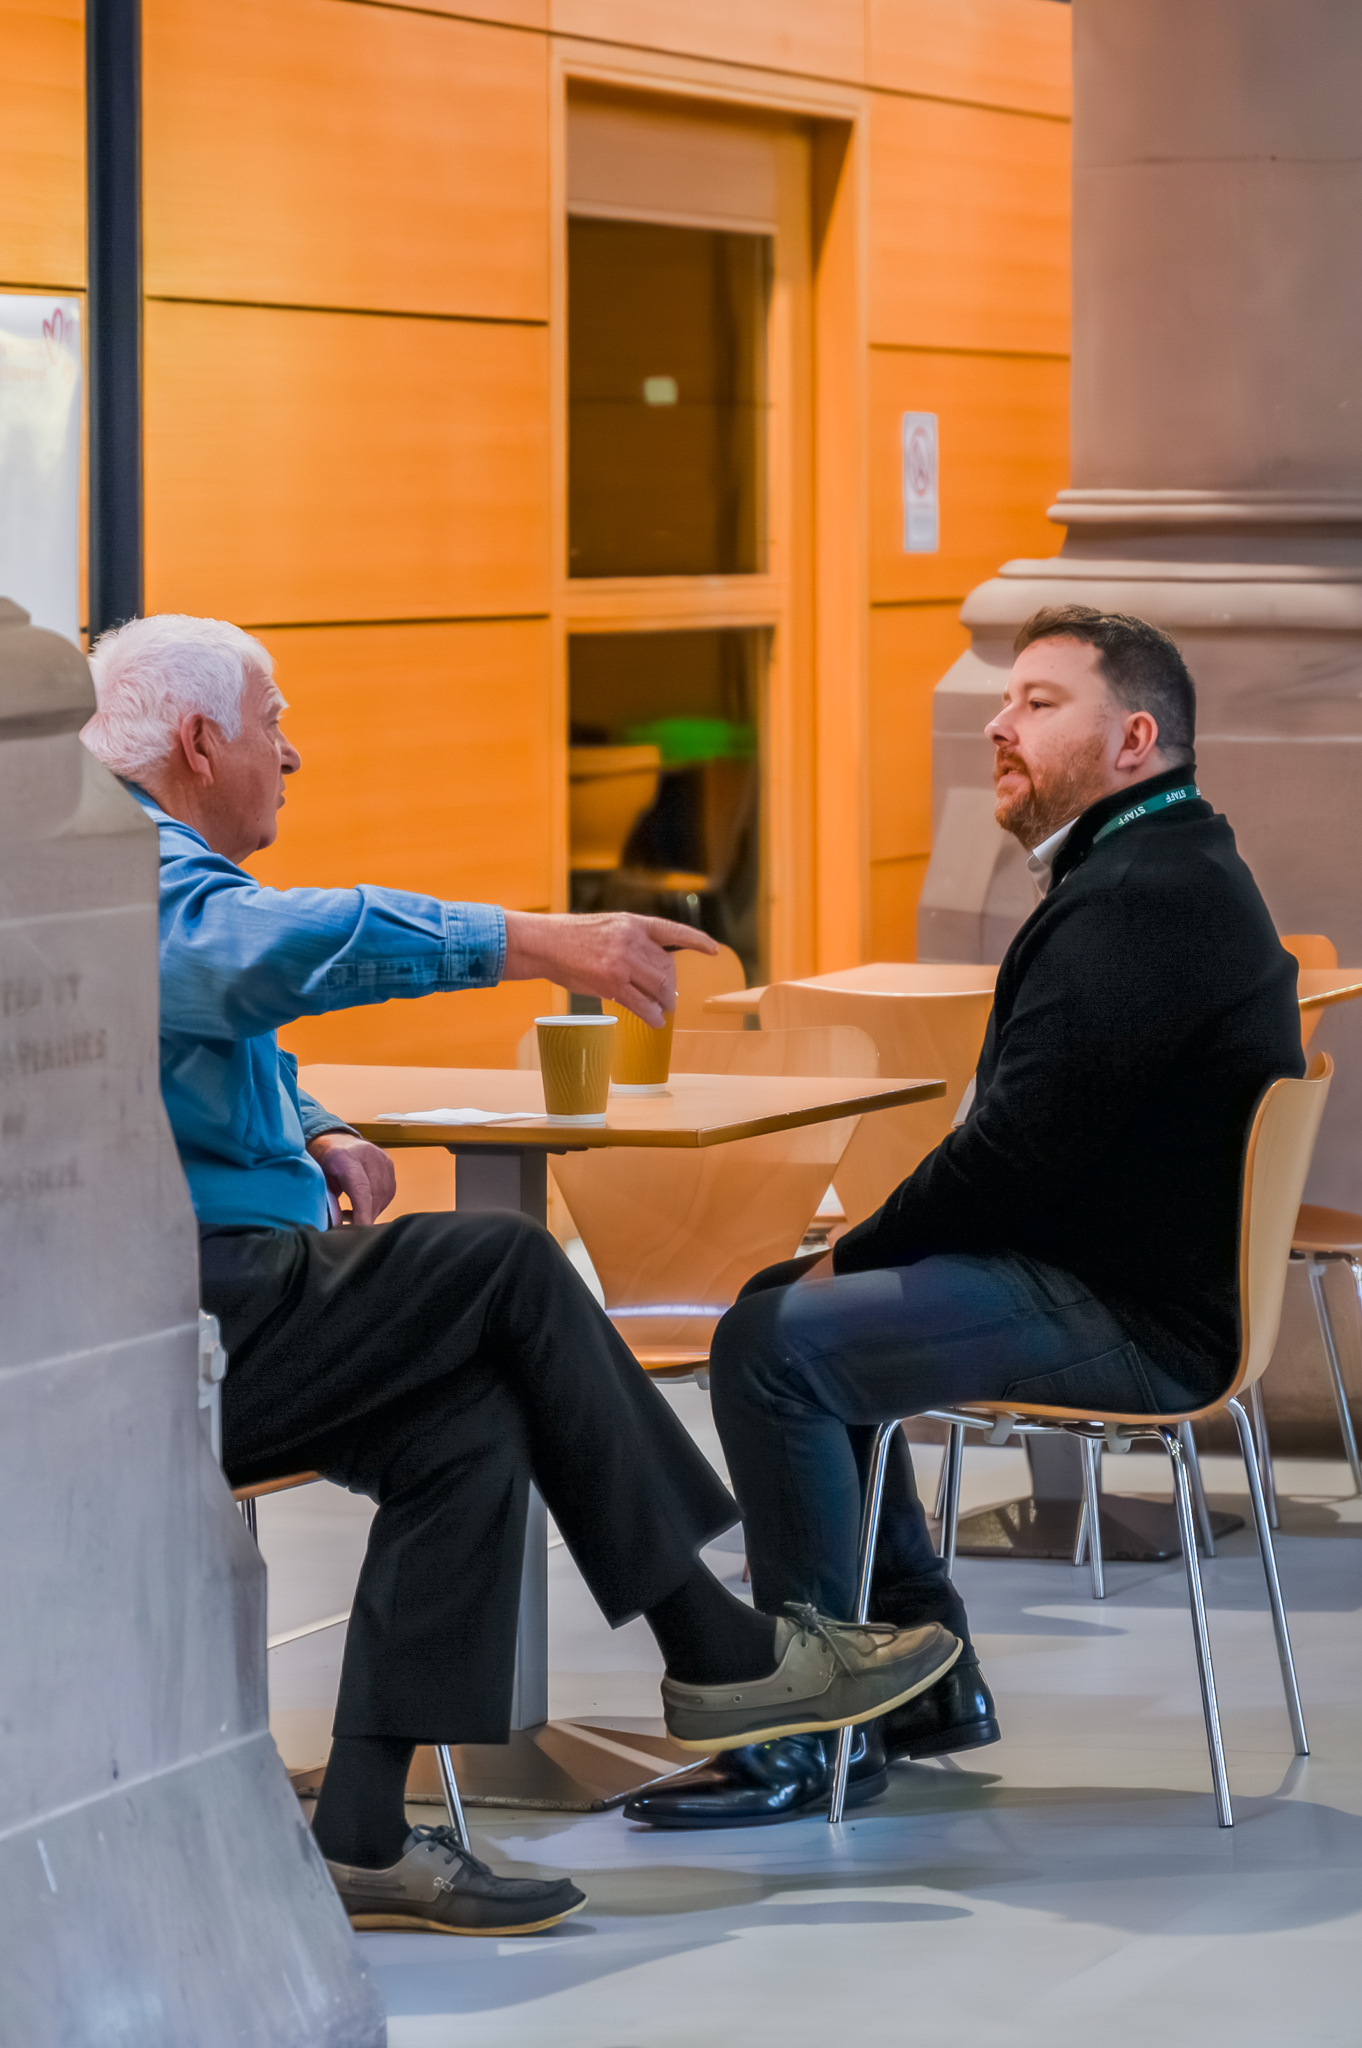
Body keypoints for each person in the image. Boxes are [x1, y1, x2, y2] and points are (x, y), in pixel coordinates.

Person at [79, 613, 959, 1932]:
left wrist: (306, 1117)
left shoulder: (123, 869)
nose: (291, 754)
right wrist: (531, 942)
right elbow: (233, 957)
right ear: (200, 744)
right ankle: (713, 1648)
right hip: (172, 1324)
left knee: (467, 1418)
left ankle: (365, 1835)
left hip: (225, 1297)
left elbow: (194, 1019)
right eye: (274, 724)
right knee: (500, 1260)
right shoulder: (125, 870)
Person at [625, 603, 1306, 1829]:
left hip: (1134, 1314)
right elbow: (1027, 1154)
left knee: (774, 1343)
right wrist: (846, 1263)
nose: (999, 723)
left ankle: (804, 1733)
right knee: (792, 1310)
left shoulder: (1145, 896)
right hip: (1117, 1280)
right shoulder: (1161, 865)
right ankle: (927, 1676)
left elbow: (1009, 1154)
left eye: (1040, 703)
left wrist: (858, 1249)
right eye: (1007, 700)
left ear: (1134, 738)